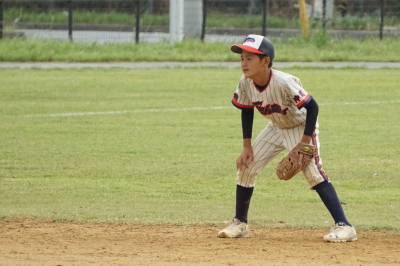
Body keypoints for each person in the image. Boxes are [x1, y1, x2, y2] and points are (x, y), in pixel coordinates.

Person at [217, 34, 357, 242]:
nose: (243, 64)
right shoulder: (245, 83)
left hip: (300, 127)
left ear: (265, 61)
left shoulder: (282, 82)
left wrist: (304, 142)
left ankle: (344, 226)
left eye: (249, 58)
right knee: (247, 165)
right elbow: (246, 110)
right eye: (242, 59)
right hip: (276, 126)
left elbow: (312, 106)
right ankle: (240, 222)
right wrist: (247, 146)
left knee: (312, 172)